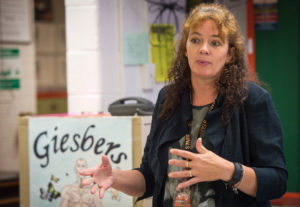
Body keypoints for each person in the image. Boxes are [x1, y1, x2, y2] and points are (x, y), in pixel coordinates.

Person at [79, 3, 287, 207]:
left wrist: (228, 171)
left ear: (230, 54)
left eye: (215, 43)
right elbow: (150, 178)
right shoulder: (168, 98)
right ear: (186, 49)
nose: (203, 49)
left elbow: (277, 181)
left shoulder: (252, 100)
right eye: (195, 40)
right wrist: (115, 177)